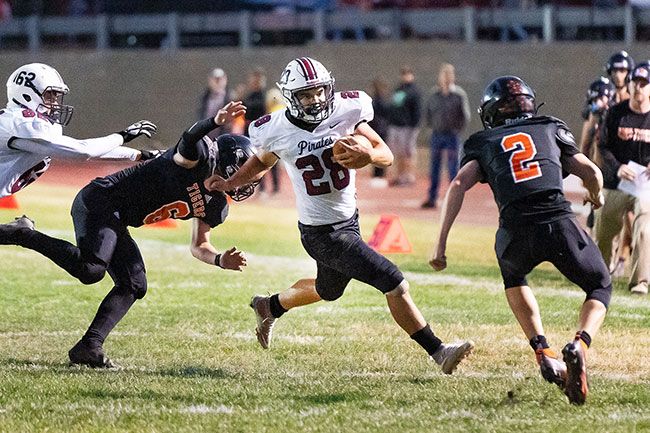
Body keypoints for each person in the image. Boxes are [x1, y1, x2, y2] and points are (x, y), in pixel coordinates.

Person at [205, 57, 474, 374]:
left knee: (327, 290)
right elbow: (262, 162)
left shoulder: (347, 111)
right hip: (321, 233)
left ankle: (270, 305)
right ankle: (439, 351)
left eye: (319, 91)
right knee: (393, 280)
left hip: (349, 221)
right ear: (291, 97)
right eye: (306, 94)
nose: (316, 99)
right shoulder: (276, 129)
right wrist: (232, 182)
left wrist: (368, 154)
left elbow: (385, 155)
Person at [0, 101, 256, 368]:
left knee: (134, 284)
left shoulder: (217, 204)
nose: (248, 182)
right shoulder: (196, 159)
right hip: (101, 199)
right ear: (229, 162)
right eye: (246, 173)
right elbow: (191, 136)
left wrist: (218, 259)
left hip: (118, 218)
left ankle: (89, 346)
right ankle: (23, 234)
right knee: (91, 269)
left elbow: (199, 245)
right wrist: (214, 122)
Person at [430, 76, 612, 405]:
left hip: (514, 231)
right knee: (600, 284)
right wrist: (595, 197)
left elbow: (457, 185)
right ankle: (579, 345)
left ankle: (542, 349)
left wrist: (440, 245)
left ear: (492, 113)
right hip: (558, 222)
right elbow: (593, 174)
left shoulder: (483, 141)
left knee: (514, 275)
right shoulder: (549, 127)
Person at [1, 62, 159, 198]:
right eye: (50, 95)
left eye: (57, 96)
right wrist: (123, 135)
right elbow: (82, 151)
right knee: (24, 231)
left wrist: (139, 155)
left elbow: (84, 150)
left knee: (23, 231)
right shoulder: (19, 122)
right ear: (27, 95)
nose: (55, 102)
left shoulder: (20, 122)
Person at [595, 62, 650, 295]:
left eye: (644, 84)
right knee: (604, 229)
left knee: (645, 229)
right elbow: (603, 145)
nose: (638, 88)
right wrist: (617, 167)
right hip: (616, 183)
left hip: (645, 186)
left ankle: (640, 280)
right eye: (635, 83)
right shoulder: (616, 112)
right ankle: (599, 274)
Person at [421, 63, 470, 209]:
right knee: (434, 167)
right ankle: (432, 197)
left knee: (453, 168)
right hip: (437, 134)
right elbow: (428, 113)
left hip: (452, 135)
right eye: (444, 75)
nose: (446, 78)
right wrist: (431, 127)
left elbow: (465, 115)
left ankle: (453, 199)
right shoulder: (434, 94)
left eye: (449, 75)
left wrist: (457, 129)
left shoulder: (459, 94)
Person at [578, 77, 616, 236]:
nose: (600, 103)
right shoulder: (592, 118)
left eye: (602, 98)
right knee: (596, 215)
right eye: (597, 99)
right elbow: (585, 146)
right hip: (600, 172)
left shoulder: (617, 116)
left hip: (616, 170)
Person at [386, 66, 421, 186]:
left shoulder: (414, 91)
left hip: (408, 127)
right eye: (403, 74)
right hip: (396, 125)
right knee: (398, 153)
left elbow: (417, 111)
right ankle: (400, 176)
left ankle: (409, 177)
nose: (405, 76)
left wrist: (414, 127)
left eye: (408, 73)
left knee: (408, 153)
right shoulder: (399, 90)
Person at [368, 77, 390, 188]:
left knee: (379, 151)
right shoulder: (378, 100)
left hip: (379, 128)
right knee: (377, 151)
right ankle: (378, 174)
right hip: (379, 128)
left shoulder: (377, 101)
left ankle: (379, 174)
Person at [198, 67, 231, 138]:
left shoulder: (231, 98)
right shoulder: (205, 98)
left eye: (220, 79)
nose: (218, 81)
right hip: (207, 136)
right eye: (215, 79)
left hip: (224, 136)